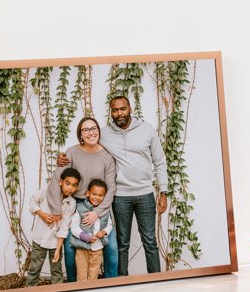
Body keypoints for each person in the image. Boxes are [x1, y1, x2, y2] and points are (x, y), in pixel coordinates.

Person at [58, 96, 168, 276]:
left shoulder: (147, 130)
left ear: (130, 108)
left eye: (123, 109)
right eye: (115, 110)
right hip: (120, 196)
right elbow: (86, 144)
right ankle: (121, 283)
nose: (119, 113)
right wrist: (62, 158)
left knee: (150, 241)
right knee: (122, 243)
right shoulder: (104, 134)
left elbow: (160, 161)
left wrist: (163, 191)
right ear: (111, 112)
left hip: (145, 193)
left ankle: (156, 281)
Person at [46, 117, 118, 281]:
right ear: (80, 134)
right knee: (71, 249)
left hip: (100, 206)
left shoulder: (107, 156)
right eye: (86, 130)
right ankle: (74, 285)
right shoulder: (71, 153)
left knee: (112, 247)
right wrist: (57, 210)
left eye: (94, 128)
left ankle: (113, 287)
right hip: (76, 205)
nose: (91, 132)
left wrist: (98, 213)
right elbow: (57, 179)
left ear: (99, 131)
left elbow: (111, 187)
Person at [26, 168, 81, 286]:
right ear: (60, 182)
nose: (70, 188)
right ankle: (30, 290)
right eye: (67, 183)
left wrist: (57, 249)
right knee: (35, 267)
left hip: (56, 240)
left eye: (74, 185)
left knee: (56, 268)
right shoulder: (46, 191)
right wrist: (42, 215)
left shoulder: (71, 203)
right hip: (39, 237)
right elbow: (32, 202)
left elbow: (65, 226)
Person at [70, 179, 113, 281]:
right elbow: (74, 227)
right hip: (82, 249)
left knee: (93, 276)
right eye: (94, 194)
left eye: (100, 195)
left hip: (97, 249)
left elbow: (109, 225)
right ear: (88, 193)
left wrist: (103, 232)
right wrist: (86, 237)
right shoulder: (80, 209)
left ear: (104, 196)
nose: (96, 198)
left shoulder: (105, 211)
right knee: (81, 275)